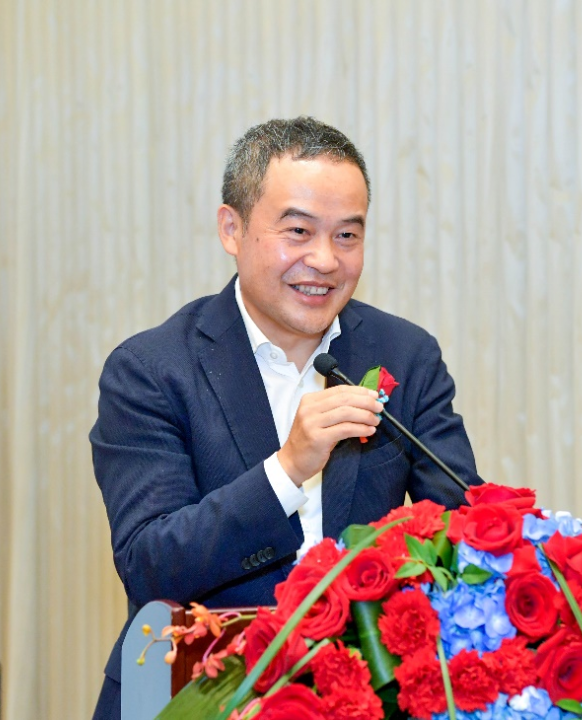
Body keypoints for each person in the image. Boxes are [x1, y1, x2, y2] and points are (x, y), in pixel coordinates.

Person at [89, 117, 481, 719]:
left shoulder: (404, 354)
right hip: (194, 692)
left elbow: (462, 528)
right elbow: (151, 565)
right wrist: (288, 470)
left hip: (365, 695)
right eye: (298, 231)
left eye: (347, 236)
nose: (324, 260)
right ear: (232, 228)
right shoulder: (151, 370)